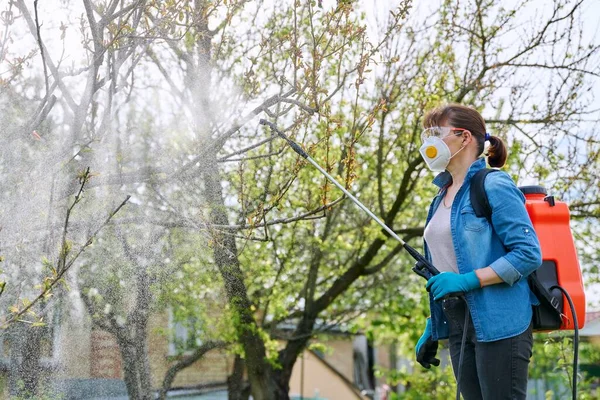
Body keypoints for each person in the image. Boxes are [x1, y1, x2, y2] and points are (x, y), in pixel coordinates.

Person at [414, 104, 543, 400]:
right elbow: (446, 266)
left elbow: (527, 253)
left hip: (499, 323)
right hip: (459, 324)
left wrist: (469, 280)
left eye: (436, 133)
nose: (428, 142)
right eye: (427, 134)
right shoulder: (440, 198)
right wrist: (433, 326)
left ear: (464, 137)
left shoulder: (493, 184)